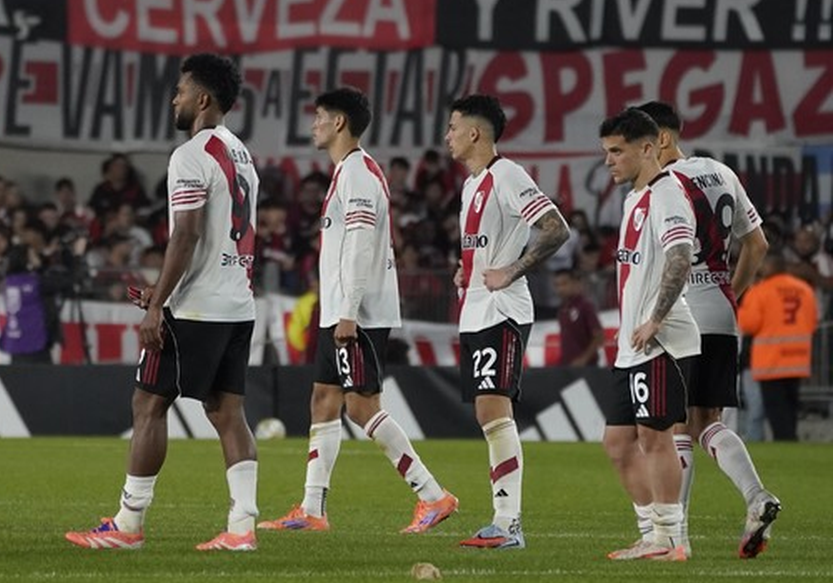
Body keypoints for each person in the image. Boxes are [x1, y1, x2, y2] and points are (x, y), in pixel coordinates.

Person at [65, 53, 261, 552]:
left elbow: (188, 234)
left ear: (203, 99)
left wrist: (159, 306)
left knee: (148, 404)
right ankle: (242, 525)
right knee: (226, 411)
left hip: (196, 309)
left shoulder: (190, 154)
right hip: (237, 303)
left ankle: (128, 525)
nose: (174, 99)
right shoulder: (241, 154)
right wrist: (161, 289)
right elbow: (217, 238)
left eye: (180, 91)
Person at [258, 87, 457, 534]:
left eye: (320, 117)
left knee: (362, 408)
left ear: (340, 123)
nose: (314, 125)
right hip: (341, 311)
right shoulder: (347, 172)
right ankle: (312, 510)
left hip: (358, 313)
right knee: (323, 400)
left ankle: (432, 494)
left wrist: (347, 311)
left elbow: (364, 246)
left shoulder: (359, 174)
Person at [639, 100, 778, 559]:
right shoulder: (722, 172)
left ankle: (675, 537)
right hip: (720, 308)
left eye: (643, 142)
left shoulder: (663, 185)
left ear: (662, 139)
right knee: (708, 423)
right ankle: (757, 497)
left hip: (681, 310)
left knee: (677, 426)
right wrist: (731, 291)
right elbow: (757, 244)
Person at [446, 94, 569, 549]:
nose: (448, 137)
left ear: (475, 133)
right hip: (476, 307)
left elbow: (556, 227)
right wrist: (470, 269)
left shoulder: (508, 175)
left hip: (502, 309)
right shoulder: (471, 185)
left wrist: (512, 269)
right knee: (486, 410)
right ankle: (503, 522)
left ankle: (508, 523)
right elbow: (488, 244)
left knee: (495, 408)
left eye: (453, 128)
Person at [599, 107, 699, 562]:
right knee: (618, 443)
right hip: (632, 345)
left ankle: (672, 539)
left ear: (647, 147)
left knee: (655, 437)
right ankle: (651, 534)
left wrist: (656, 318)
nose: (609, 161)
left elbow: (680, 256)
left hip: (662, 340)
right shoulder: (634, 199)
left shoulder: (667, 195)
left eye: (617, 151)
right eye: (606, 152)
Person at [738, 252, 818, 443]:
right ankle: (791, 437)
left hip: (771, 361)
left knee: (777, 410)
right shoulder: (804, 289)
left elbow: (750, 324)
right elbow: (813, 321)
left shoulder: (760, 291)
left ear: (769, 268)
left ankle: (787, 441)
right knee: (791, 406)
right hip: (798, 358)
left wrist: (740, 311)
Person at [553, 268, 605, 366]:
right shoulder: (562, 309)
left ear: (575, 283)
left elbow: (599, 336)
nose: (560, 289)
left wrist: (584, 359)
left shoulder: (585, 306)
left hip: (586, 367)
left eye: (564, 284)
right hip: (567, 365)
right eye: (557, 285)